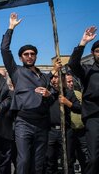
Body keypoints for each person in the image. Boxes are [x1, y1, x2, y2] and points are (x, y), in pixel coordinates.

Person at [0, 12, 59, 173]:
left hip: (42, 123)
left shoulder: (43, 76)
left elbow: (53, 95)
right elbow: (4, 50)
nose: (29, 56)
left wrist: (48, 94)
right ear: (20, 58)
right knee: (24, 160)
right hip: (23, 123)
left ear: (36, 56)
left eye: (32, 54)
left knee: (38, 163)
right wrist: (11, 27)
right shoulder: (16, 71)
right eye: (26, 54)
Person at [68, 26, 99, 174]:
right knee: (93, 158)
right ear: (93, 54)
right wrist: (83, 43)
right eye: (98, 51)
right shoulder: (87, 70)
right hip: (94, 117)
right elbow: (73, 64)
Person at [45, 71, 81, 174]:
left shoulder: (69, 93)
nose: (54, 80)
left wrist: (68, 103)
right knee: (50, 161)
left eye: (57, 77)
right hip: (50, 131)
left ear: (62, 79)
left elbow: (79, 108)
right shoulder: (48, 92)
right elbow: (41, 82)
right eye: (53, 77)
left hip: (65, 130)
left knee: (68, 160)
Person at [65, 72, 88, 172]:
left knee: (85, 158)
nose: (71, 83)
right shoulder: (61, 96)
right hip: (69, 131)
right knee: (69, 159)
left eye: (71, 81)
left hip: (81, 130)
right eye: (68, 81)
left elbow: (83, 108)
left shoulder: (78, 94)